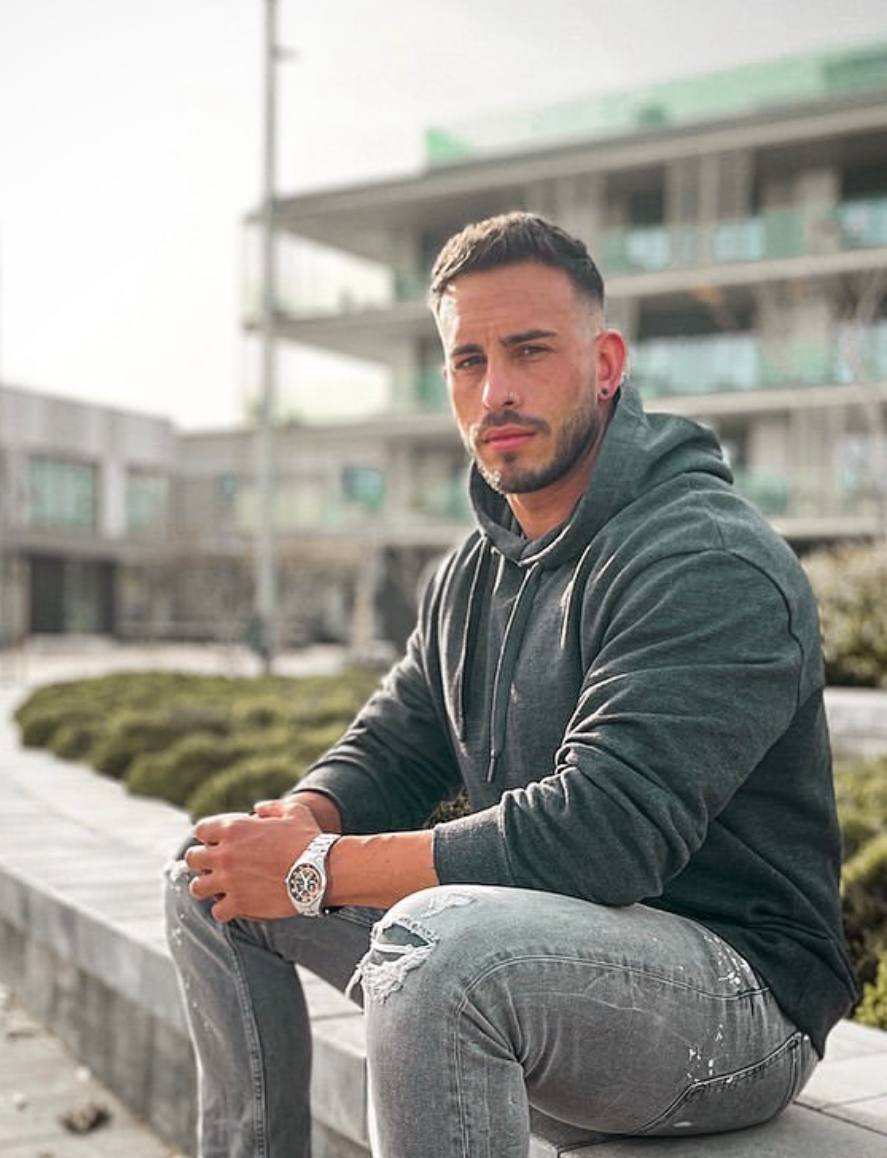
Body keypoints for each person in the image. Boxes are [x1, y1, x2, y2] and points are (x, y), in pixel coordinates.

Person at [165, 212, 856, 1158]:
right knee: (208, 874)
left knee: (440, 954)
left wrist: (311, 870)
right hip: (536, 961)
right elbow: (394, 745)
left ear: (604, 364)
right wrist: (295, 826)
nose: (497, 390)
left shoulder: (705, 558)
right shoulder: (471, 570)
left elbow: (601, 837)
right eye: (468, 360)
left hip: (738, 1002)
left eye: (530, 351)